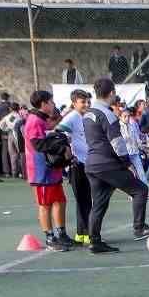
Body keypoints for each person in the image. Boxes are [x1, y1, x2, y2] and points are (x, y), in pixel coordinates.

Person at [82, 79, 149, 254]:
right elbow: (117, 142)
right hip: (107, 163)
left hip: (92, 163)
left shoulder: (88, 113)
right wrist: (127, 163)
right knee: (140, 190)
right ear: (111, 93)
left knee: (99, 203)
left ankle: (94, 241)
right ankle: (139, 228)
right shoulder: (107, 114)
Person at [22, 90, 72, 251]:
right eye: (51, 102)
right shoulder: (34, 120)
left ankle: (61, 233)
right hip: (41, 171)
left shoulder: (42, 119)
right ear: (43, 104)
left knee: (60, 201)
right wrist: (61, 146)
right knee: (45, 205)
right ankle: (50, 237)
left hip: (52, 170)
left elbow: (51, 128)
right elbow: (38, 145)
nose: (53, 105)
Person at [56, 90, 94, 244]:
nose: (86, 104)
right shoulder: (72, 117)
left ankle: (83, 233)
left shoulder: (85, 116)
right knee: (82, 199)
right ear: (74, 103)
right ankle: (85, 233)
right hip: (76, 164)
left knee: (86, 199)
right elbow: (58, 132)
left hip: (87, 162)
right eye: (82, 102)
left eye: (87, 101)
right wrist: (69, 151)